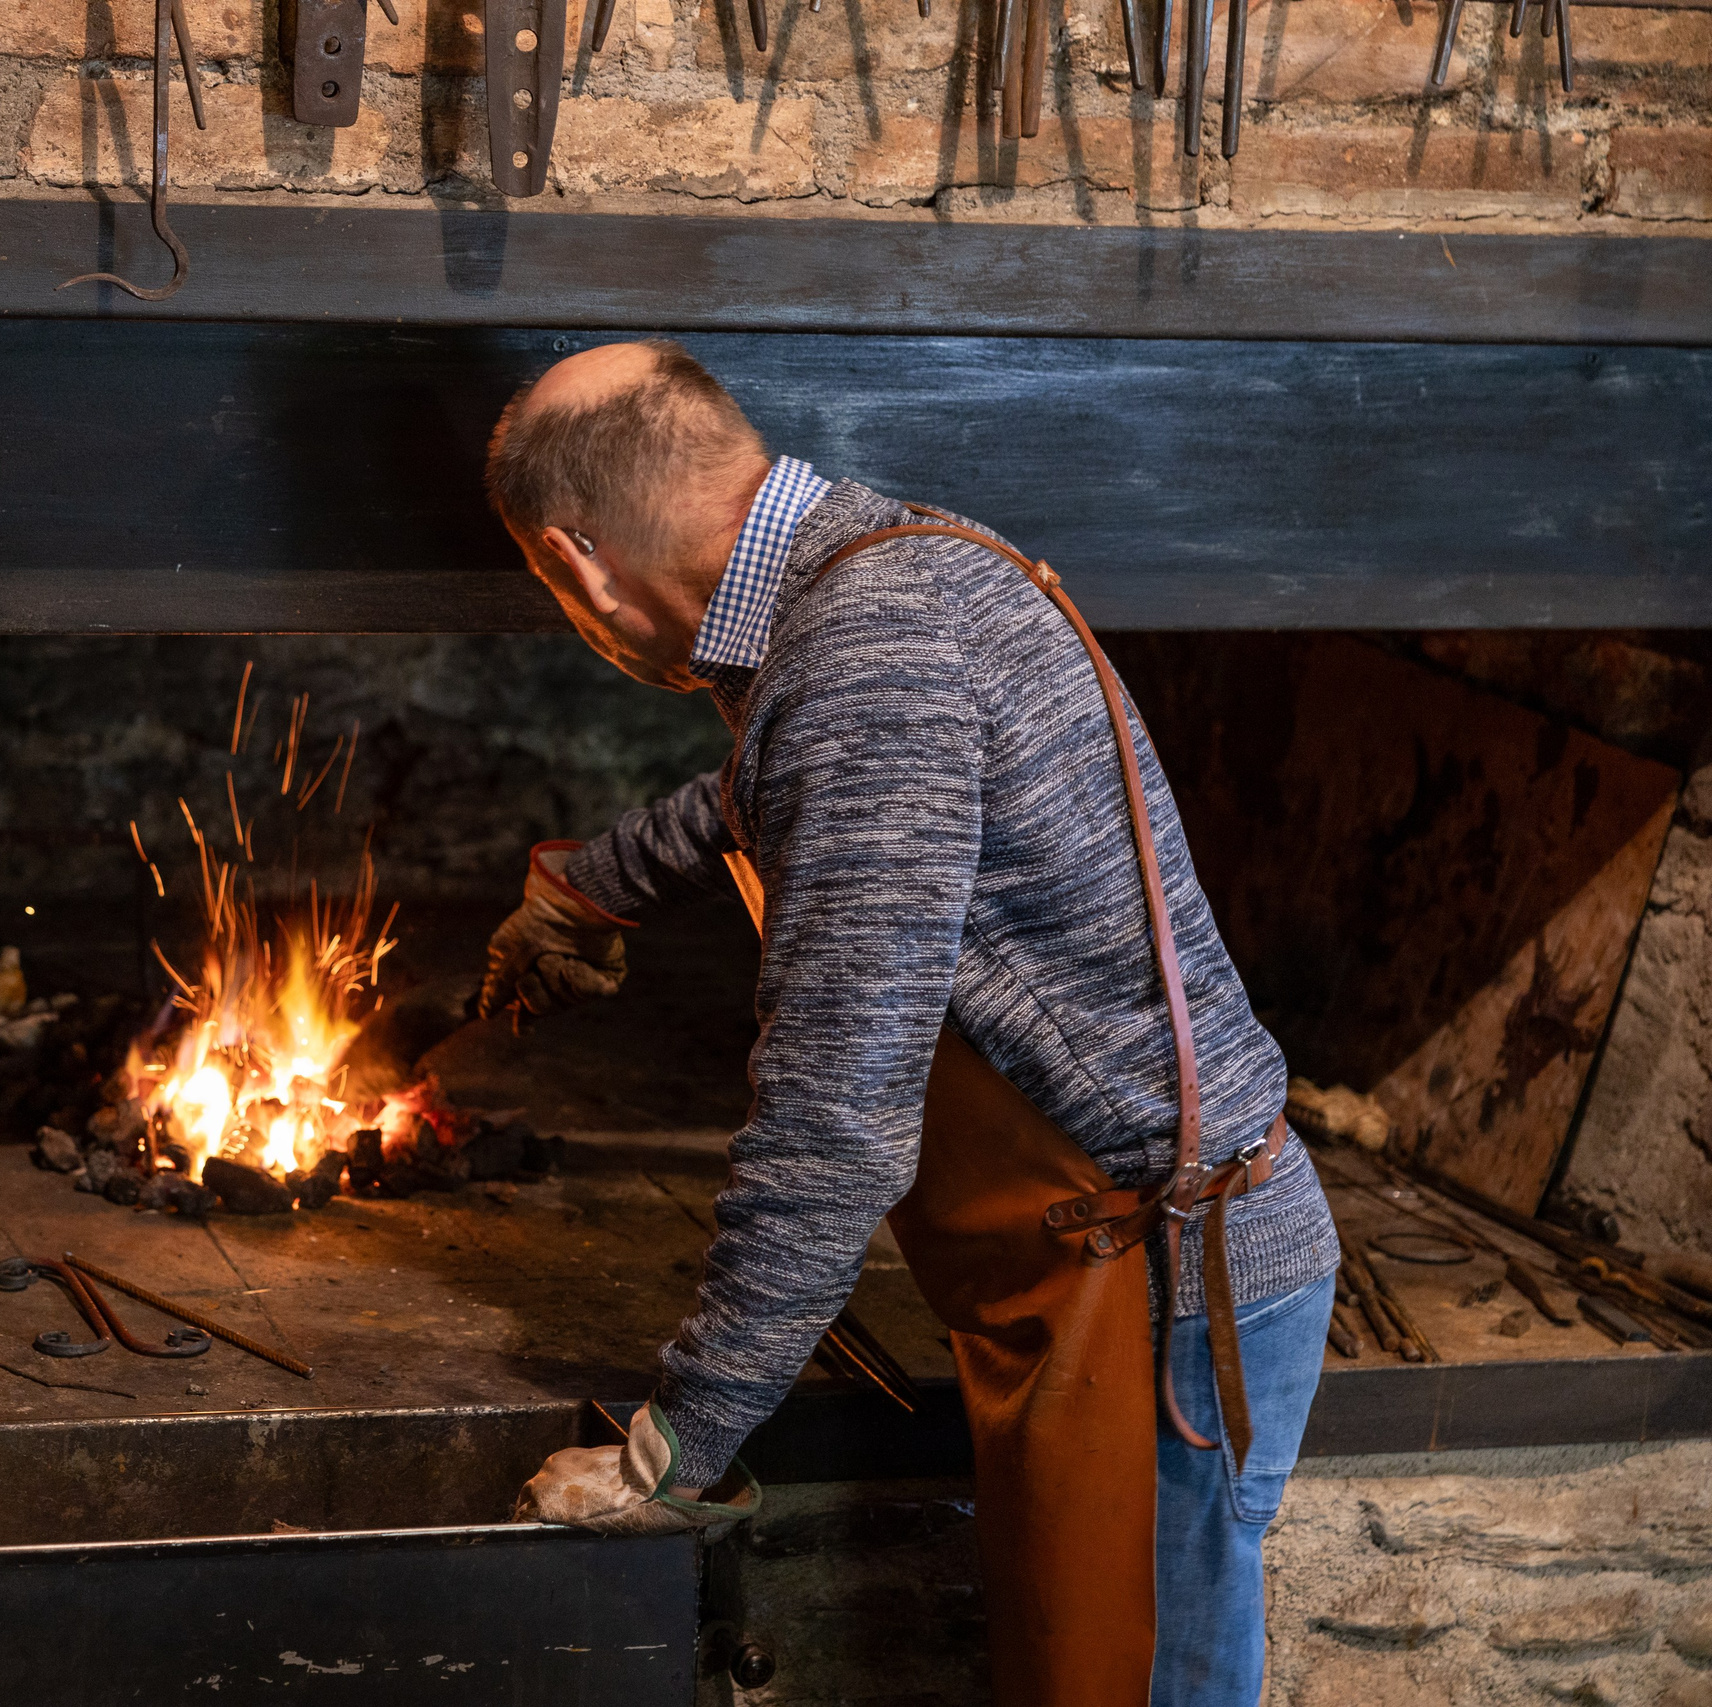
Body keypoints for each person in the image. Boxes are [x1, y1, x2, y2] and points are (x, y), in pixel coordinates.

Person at [483, 340, 1340, 1707]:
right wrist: (596, 882)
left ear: (577, 562)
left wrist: (676, 1447)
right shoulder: (880, 565)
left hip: (1164, 1291)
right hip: (1114, 1267)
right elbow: (785, 790)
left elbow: (836, 1119)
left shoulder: (865, 655)